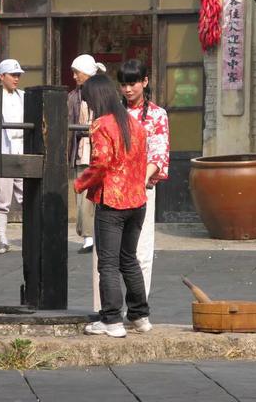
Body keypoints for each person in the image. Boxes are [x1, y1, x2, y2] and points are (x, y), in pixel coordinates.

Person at [74, 74, 151, 338]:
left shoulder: (101, 125)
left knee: (107, 263)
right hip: (137, 201)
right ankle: (140, 316)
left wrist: (80, 184)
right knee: (129, 259)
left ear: (97, 98)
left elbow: (100, 164)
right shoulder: (134, 123)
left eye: (89, 101)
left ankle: (111, 320)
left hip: (113, 201)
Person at [118, 59, 170, 299]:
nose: (128, 89)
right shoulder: (114, 114)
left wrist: (141, 179)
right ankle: (107, 308)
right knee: (109, 254)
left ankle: (138, 307)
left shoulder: (158, 115)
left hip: (142, 189)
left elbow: (159, 154)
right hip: (115, 190)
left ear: (145, 82)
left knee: (141, 251)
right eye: (123, 84)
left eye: (133, 83)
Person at [67, 54, 106, 254]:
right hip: (82, 151)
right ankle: (88, 237)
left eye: (77, 72)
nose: (74, 76)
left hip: (101, 151)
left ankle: (99, 235)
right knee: (83, 198)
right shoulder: (73, 97)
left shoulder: (102, 94)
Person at [0, 59, 24, 254]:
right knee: (1, 197)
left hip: (22, 151)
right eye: (13, 75)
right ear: (2, 76)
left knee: (29, 196)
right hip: (2, 151)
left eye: (18, 75)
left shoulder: (23, 97)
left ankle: (31, 237)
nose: (16, 79)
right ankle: (2, 239)